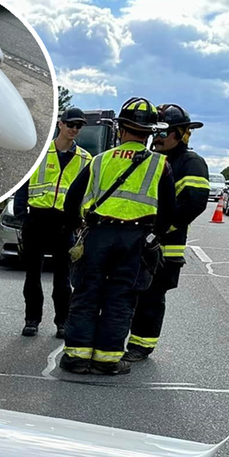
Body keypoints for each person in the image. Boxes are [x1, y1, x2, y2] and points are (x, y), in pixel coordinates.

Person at [59, 97, 176, 376]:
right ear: (149, 133)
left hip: (98, 235)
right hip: (135, 240)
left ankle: (76, 357)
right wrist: (153, 237)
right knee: (121, 298)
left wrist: (77, 226)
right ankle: (107, 359)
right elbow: (169, 212)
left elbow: (71, 200)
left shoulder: (99, 160)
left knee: (87, 294)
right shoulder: (161, 165)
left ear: (121, 129)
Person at [124, 104, 209, 363]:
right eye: (156, 132)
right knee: (131, 293)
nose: (157, 137)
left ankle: (141, 345)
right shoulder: (153, 159)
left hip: (165, 246)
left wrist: (159, 230)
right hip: (140, 241)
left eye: (164, 133)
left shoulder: (191, 163)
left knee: (151, 297)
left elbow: (193, 203)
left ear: (181, 134)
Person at [15, 108, 94, 338]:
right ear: (60, 124)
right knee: (32, 275)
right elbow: (23, 183)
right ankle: (32, 320)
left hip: (64, 222)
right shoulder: (40, 151)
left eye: (79, 126)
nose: (74, 129)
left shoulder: (85, 159)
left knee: (62, 278)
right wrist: (22, 215)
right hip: (37, 219)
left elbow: (87, 193)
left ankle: (62, 322)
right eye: (71, 124)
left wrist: (80, 221)